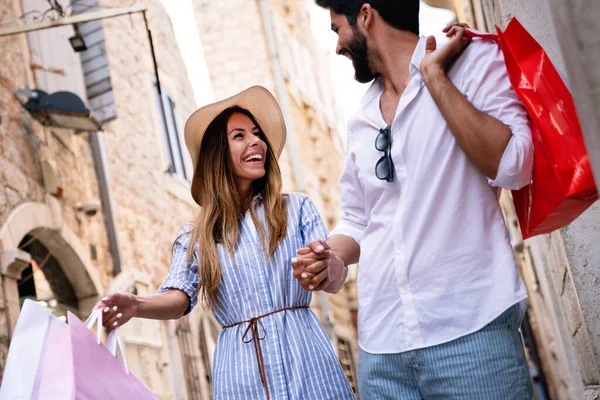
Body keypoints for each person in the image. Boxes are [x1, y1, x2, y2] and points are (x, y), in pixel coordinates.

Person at [292, 1, 535, 398]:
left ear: (365, 16)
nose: (337, 46)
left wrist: (435, 78)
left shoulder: (471, 63)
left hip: (470, 334)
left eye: (338, 29)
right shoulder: (360, 120)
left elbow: (514, 165)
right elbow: (358, 219)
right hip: (381, 351)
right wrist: (329, 258)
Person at [94, 86, 355, 400]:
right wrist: (136, 305)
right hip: (239, 375)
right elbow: (178, 298)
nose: (256, 140)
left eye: (257, 133)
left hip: (307, 362)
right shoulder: (194, 237)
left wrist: (328, 267)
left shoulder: (296, 209)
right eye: (240, 135)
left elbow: (332, 279)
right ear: (218, 154)